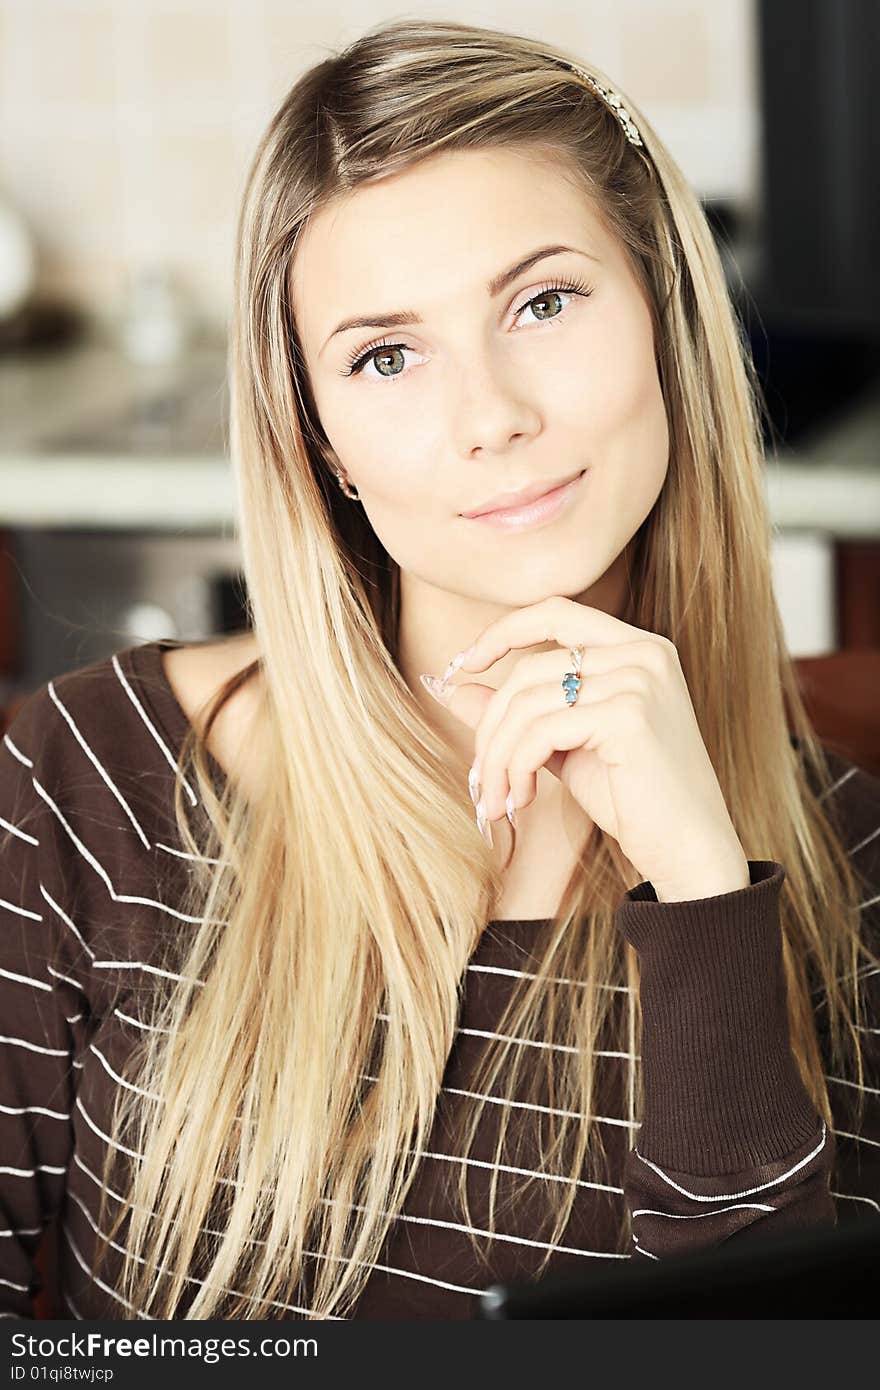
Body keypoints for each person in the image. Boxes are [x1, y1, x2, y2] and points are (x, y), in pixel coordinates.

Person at [1, 17, 878, 1323]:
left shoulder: (845, 873)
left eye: (543, 300)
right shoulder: (87, 783)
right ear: (324, 436)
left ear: (667, 321)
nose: (491, 416)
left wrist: (706, 891)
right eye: (386, 355)